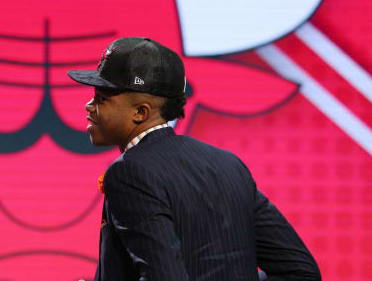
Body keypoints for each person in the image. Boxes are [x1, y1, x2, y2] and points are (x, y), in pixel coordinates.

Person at [67, 37, 321, 281]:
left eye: (102, 98)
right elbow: (300, 272)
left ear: (140, 112)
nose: (89, 106)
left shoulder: (128, 173)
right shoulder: (228, 164)